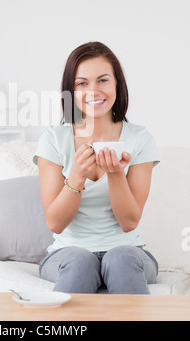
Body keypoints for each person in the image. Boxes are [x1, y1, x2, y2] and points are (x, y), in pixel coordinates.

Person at [32, 41, 159, 294]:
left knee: (120, 257)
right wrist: (77, 176)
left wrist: (115, 175)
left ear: (116, 85)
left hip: (129, 251)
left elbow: (129, 222)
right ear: (71, 91)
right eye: (82, 83)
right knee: (81, 261)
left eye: (103, 80)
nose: (94, 90)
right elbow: (55, 223)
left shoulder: (140, 138)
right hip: (67, 253)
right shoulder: (54, 139)